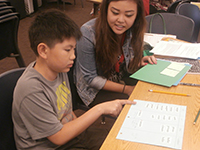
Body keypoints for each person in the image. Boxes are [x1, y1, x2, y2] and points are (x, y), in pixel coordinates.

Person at [12, 9, 135, 150]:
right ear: (43, 50)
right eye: (67, 50)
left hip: (67, 136)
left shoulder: (59, 69)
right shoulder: (31, 89)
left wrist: (83, 136)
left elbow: (67, 113)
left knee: (119, 140)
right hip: (51, 145)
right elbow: (58, 137)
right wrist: (99, 109)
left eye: (74, 49)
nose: (73, 56)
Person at [74, 0, 157, 107]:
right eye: (115, 13)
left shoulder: (133, 28)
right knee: (139, 105)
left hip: (119, 78)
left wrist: (137, 62)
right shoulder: (88, 33)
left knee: (152, 92)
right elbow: (91, 79)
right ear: (105, 10)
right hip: (95, 90)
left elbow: (122, 62)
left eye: (129, 15)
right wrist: (126, 89)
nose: (121, 20)